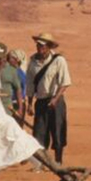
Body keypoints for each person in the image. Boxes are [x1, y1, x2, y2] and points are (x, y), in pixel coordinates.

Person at [26, 33, 71, 163]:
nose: (39, 47)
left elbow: (64, 83)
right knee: (39, 133)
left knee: (58, 131)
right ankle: (41, 163)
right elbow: (30, 84)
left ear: (49, 46)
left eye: (42, 45)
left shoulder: (58, 60)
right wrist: (29, 103)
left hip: (56, 101)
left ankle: (58, 161)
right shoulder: (33, 61)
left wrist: (55, 99)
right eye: (38, 45)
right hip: (40, 101)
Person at [0, 43, 24, 122]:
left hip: (7, 110)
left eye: (0, 56)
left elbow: (18, 89)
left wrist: (20, 108)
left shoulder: (11, 70)